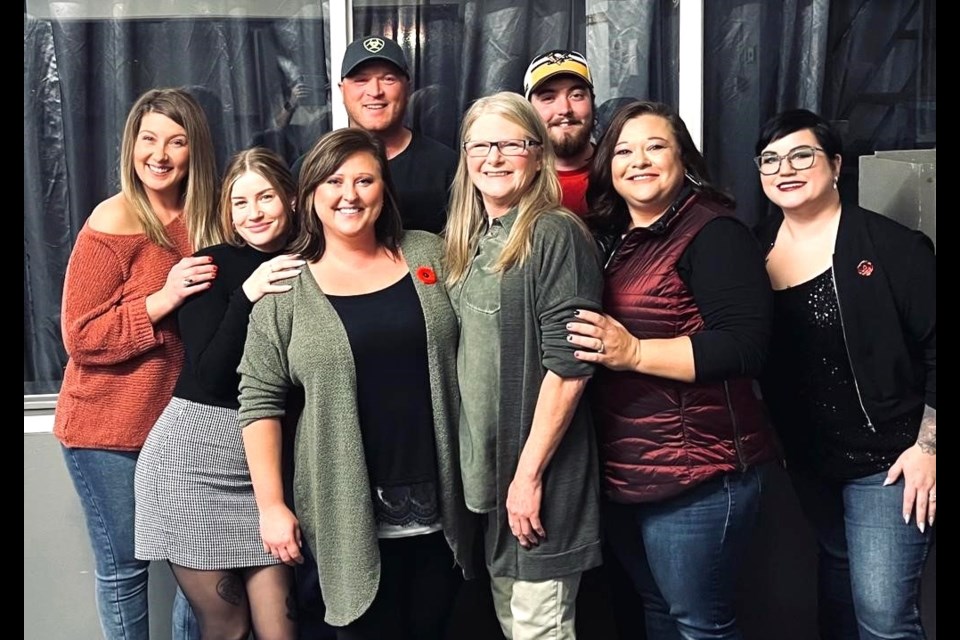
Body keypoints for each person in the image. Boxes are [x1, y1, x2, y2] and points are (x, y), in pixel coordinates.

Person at [238, 128, 476, 639]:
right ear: (307, 198)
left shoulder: (428, 255)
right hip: (347, 513)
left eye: (364, 180)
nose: (350, 194)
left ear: (384, 190)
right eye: (333, 181)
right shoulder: (286, 288)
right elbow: (259, 401)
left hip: (445, 508)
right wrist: (271, 507)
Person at [568, 100, 778, 639]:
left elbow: (743, 346)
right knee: (660, 612)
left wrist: (634, 352)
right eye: (624, 150)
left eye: (655, 146)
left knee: (699, 624)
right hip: (632, 472)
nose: (639, 160)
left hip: (699, 475)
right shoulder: (617, 239)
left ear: (683, 158)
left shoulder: (713, 232)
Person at [754, 109, 936, 639]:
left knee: (883, 618)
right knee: (836, 597)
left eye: (801, 154)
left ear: (835, 165)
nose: (784, 168)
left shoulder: (892, 248)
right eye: (770, 159)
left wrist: (928, 449)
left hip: (889, 465)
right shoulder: (753, 249)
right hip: (809, 463)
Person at [54, 87, 219, 640]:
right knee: (125, 569)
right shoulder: (116, 217)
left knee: (202, 563)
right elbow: (80, 334)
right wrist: (161, 299)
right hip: (108, 430)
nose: (160, 154)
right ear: (132, 146)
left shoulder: (208, 219)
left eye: (176, 141)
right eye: (149, 139)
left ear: (195, 149)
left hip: (181, 430)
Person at [445, 91, 604, 640]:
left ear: (538, 154)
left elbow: (571, 367)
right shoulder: (471, 242)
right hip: (489, 484)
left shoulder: (554, 232)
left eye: (511, 143)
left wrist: (528, 475)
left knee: (539, 629)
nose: (494, 157)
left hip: (538, 482)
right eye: (481, 145)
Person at [135, 147, 304, 639]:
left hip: (262, 473)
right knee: (226, 628)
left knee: (282, 630)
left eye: (266, 197)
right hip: (192, 467)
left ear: (291, 200)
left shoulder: (311, 261)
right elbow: (210, 376)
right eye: (239, 202)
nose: (253, 213)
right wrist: (248, 293)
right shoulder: (207, 267)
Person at [291, 35, 457, 234]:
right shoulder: (310, 168)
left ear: (407, 87)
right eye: (361, 80)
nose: (375, 91)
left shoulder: (446, 166)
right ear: (341, 91)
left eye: (388, 79)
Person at [524, 49, 596, 216]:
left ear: (592, 102)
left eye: (576, 95)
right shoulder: (517, 181)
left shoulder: (618, 173)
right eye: (548, 97)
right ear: (528, 109)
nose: (564, 109)